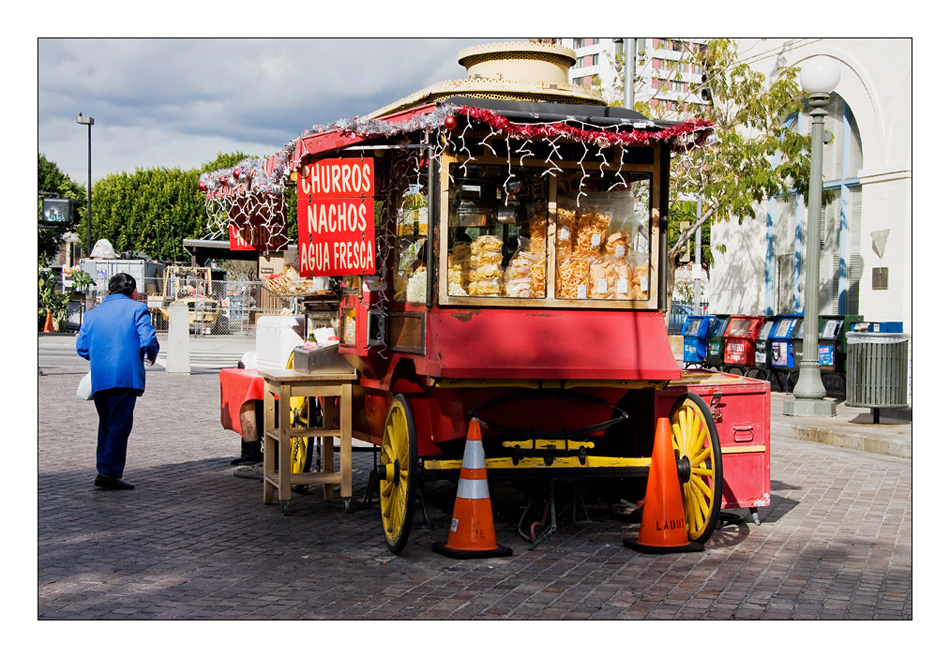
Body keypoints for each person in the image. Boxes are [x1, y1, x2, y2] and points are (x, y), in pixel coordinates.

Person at [76, 273, 160, 490]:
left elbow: (82, 348)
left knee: (106, 424)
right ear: (132, 291)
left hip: (101, 376)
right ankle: (109, 473)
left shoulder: (92, 314)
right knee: (120, 426)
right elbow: (148, 338)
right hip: (125, 376)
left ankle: (103, 468)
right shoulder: (137, 309)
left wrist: (100, 356)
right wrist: (151, 353)